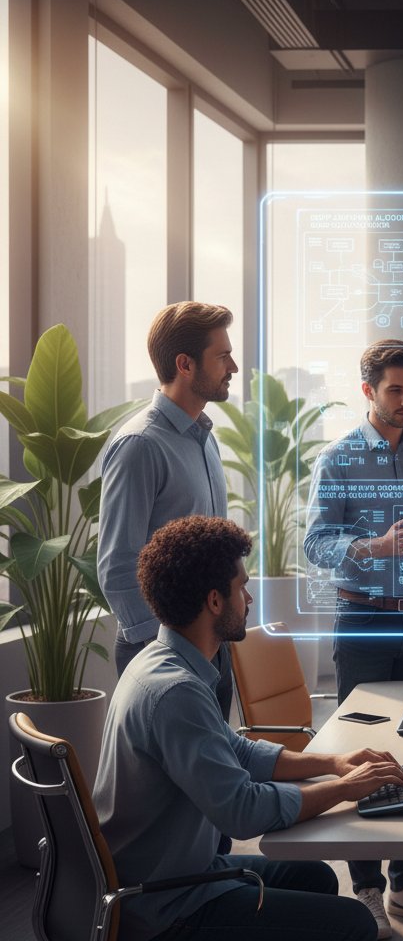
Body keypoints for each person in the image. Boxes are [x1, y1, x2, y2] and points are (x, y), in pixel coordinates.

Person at [93, 515, 403, 941]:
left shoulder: (162, 663)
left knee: (315, 880)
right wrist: (345, 789)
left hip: (170, 880)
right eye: (242, 588)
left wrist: (332, 762)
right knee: (353, 927)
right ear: (214, 601)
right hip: (165, 912)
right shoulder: (175, 692)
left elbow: (236, 753)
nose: (251, 599)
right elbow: (241, 811)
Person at [304, 338, 403, 940]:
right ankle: (365, 890)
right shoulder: (339, 459)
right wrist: (376, 546)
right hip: (363, 619)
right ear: (368, 390)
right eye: (396, 389)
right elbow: (317, 545)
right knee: (365, 752)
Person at [98, 301, 237, 716]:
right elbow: (118, 566)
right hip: (162, 653)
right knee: (168, 782)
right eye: (222, 356)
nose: (232, 366)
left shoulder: (206, 438)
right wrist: (165, 648)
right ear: (185, 364)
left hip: (210, 643)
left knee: (216, 774)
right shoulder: (140, 446)